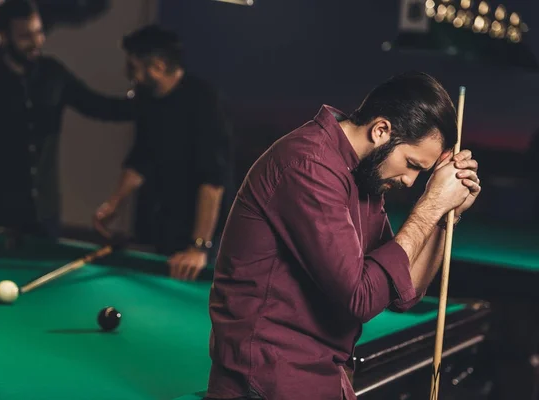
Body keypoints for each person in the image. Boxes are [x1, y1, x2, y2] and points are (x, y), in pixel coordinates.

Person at [205, 72, 481, 400]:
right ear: (381, 130)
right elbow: (360, 298)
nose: (410, 181)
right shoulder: (309, 164)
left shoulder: (364, 173)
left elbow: (402, 293)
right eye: (411, 164)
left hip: (318, 374)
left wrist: (444, 217)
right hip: (267, 379)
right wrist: (429, 206)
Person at [0, 0, 134, 237]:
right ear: (4, 36)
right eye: (25, 36)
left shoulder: (54, 75)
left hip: (44, 215)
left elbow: (98, 106)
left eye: (39, 32)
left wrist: (147, 101)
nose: (37, 42)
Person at [93, 25, 234, 281]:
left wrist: (199, 247)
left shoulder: (204, 101)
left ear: (157, 65)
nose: (130, 75)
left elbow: (213, 181)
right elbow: (140, 160)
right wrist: (113, 204)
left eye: (133, 67)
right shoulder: (149, 101)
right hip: (164, 226)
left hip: (204, 236)